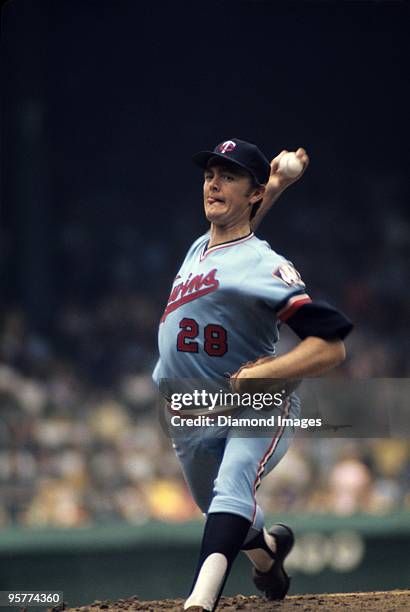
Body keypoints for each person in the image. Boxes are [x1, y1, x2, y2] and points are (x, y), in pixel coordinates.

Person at [152, 138, 353, 612]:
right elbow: (235, 244)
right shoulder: (201, 248)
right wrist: (277, 185)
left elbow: (331, 345)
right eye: (209, 175)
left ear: (252, 192)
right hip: (190, 410)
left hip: (257, 404)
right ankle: (267, 554)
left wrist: (272, 374)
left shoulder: (267, 264)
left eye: (228, 176)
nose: (213, 183)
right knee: (220, 508)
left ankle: (199, 603)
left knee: (232, 487)